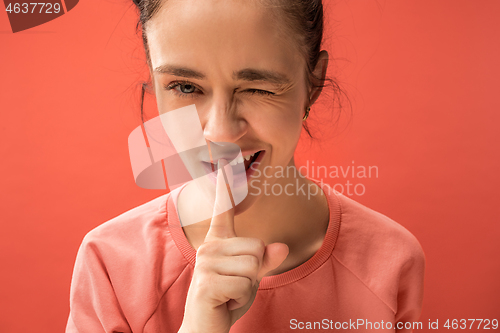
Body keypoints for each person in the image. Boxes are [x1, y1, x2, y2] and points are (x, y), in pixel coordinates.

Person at [65, 0, 426, 332]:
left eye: (259, 89)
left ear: (312, 83)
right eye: (185, 87)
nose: (220, 132)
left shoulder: (390, 263)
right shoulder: (110, 264)